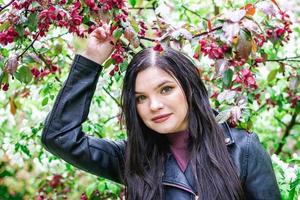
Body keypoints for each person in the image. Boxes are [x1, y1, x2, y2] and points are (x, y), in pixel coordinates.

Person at [41, 25, 281, 200]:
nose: (154, 105)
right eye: (141, 98)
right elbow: (60, 137)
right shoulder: (133, 158)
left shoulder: (243, 150)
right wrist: (90, 61)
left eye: (165, 89)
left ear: (189, 89)